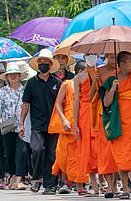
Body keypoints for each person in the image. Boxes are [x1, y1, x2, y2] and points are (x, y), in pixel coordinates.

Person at [99, 51, 131, 200]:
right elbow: (106, 103)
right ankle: (126, 189)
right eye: (129, 62)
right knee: (122, 155)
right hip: (119, 123)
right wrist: (114, 89)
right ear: (121, 65)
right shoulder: (111, 80)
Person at [20, 49, 61, 195]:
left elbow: (62, 104)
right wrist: (21, 124)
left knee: (52, 154)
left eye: (45, 62)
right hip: (37, 123)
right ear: (37, 64)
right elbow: (25, 104)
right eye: (41, 62)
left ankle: (50, 185)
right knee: (37, 149)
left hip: (54, 124)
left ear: (51, 64)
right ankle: (37, 177)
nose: (43, 64)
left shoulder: (57, 82)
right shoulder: (31, 83)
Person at [50, 62, 88, 195]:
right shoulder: (67, 84)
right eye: (85, 73)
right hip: (68, 125)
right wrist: (64, 120)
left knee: (79, 156)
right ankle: (65, 182)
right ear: (78, 73)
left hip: (81, 124)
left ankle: (80, 186)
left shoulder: (86, 86)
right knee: (64, 156)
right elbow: (58, 104)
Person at [0, 62, 28, 190]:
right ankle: (13, 175)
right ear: (7, 77)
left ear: (20, 76)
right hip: (7, 126)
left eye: (15, 74)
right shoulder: (2, 91)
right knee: (9, 153)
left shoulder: (24, 90)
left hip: (21, 126)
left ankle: (19, 178)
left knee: (21, 152)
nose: (13, 76)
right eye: (10, 74)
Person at [72, 60, 100, 196]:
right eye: (89, 55)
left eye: (94, 55)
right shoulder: (78, 78)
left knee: (100, 147)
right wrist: (75, 123)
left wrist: (96, 81)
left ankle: (107, 182)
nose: (91, 58)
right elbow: (76, 100)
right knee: (87, 147)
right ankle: (94, 184)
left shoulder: (101, 72)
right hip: (84, 112)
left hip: (99, 110)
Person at [94, 54, 119, 197]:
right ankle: (109, 185)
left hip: (118, 112)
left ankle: (115, 184)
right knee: (106, 151)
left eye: (114, 56)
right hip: (103, 113)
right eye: (109, 56)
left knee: (116, 149)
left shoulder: (121, 70)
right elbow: (93, 95)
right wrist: (94, 82)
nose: (112, 59)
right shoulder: (99, 71)